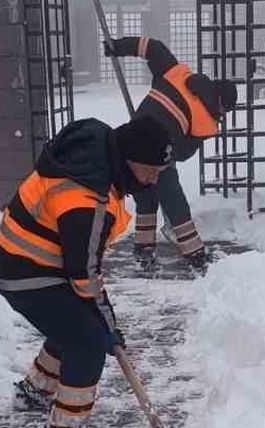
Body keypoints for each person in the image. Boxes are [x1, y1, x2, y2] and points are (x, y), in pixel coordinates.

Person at [0, 114, 172, 428]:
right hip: (27, 271)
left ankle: (34, 392)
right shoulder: (87, 200)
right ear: (130, 161)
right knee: (87, 341)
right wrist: (108, 327)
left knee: (73, 321)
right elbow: (84, 275)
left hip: (25, 256)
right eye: (150, 171)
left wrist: (101, 316)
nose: (152, 180)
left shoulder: (99, 147)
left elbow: (81, 276)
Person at [104, 36, 238, 270]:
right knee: (174, 201)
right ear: (221, 106)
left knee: (145, 198)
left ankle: (144, 252)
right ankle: (194, 254)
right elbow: (183, 153)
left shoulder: (176, 75)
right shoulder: (206, 123)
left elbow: (152, 47)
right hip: (159, 157)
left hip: (131, 143)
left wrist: (119, 47)